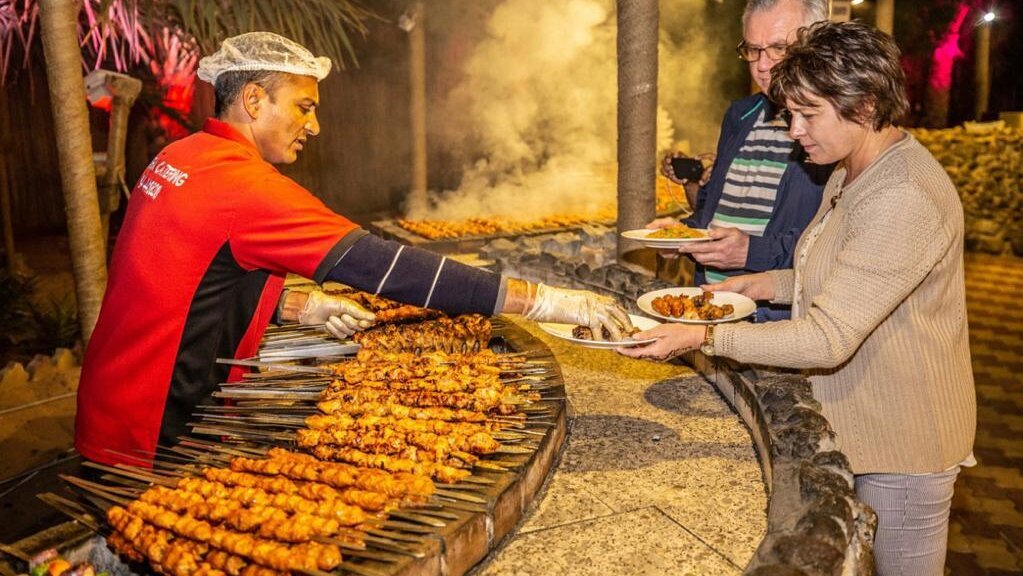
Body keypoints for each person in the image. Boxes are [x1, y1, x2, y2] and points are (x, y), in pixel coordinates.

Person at [75, 32, 633, 467]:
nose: (314, 125)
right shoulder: (244, 187)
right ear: (253, 99)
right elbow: (385, 266)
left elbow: (187, 275)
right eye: (304, 106)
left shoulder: (183, 156)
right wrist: (540, 300)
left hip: (113, 399)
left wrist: (298, 306)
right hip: (153, 426)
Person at [622, 21, 976, 575]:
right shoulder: (851, 168)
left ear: (863, 104)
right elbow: (833, 270)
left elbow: (828, 337)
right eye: (791, 114)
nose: (794, 131)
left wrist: (704, 336)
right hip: (858, 420)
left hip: (904, 439)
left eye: (808, 114)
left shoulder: (902, 195)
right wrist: (760, 284)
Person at [654, 0, 832, 321]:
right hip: (712, 310)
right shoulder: (740, 115)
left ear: (817, 44)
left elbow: (830, 249)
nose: (762, 65)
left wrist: (750, 252)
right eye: (753, 49)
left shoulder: (834, 131)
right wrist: (682, 237)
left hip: (778, 323)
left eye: (779, 48)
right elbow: (713, 217)